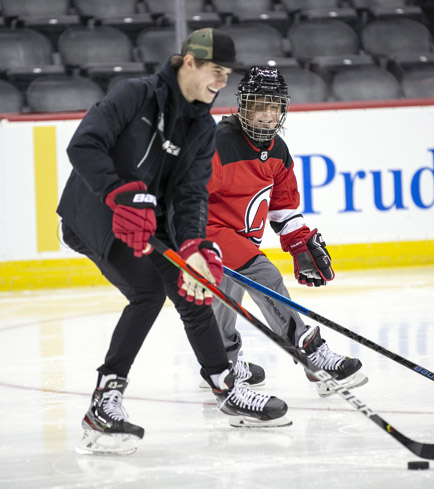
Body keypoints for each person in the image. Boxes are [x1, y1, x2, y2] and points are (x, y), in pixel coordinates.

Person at [57, 30, 291, 456]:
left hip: (152, 219)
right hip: (93, 213)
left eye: (226, 74)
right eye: (215, 71)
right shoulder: (136, 95)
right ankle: (103, 403)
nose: (221, 82)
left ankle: (226, 387)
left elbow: (190, 195)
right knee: (146, 293)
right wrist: (119, 193)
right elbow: (84, 144)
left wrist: (195, 247)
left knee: (194, 291)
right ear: (188, 63)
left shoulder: (201, 127)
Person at [203, 66, 368, 399]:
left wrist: (298, 241)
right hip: (210, 233)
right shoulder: (220, 144)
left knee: (224, 302)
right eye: (258, 106)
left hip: (240, 240)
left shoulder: (278, 150)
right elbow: (191, 196)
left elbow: (283, 204)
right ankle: (312, 353)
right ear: (243, 107)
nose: (266, 115)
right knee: (264, 276)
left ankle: (221, 363)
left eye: (274, 106)